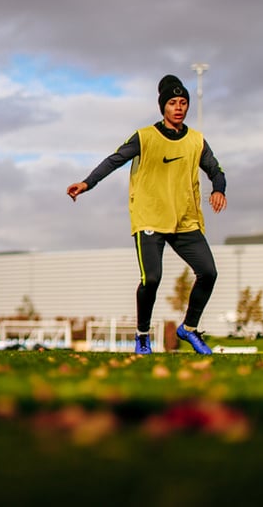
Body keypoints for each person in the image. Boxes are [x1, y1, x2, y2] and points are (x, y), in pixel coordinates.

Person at [66, 74, 227, 355]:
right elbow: (114, 160)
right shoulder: (145, 137)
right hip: (150, 217)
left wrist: (219, 189)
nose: (179, 107)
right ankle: (142, 336)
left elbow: (216, 170)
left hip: (185, 220)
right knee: (151, 278)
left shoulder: (197, 141)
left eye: (183, 102)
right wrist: (87, 183)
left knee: (208, 272)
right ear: (163, 107)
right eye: (173, 103)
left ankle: (188, 330)